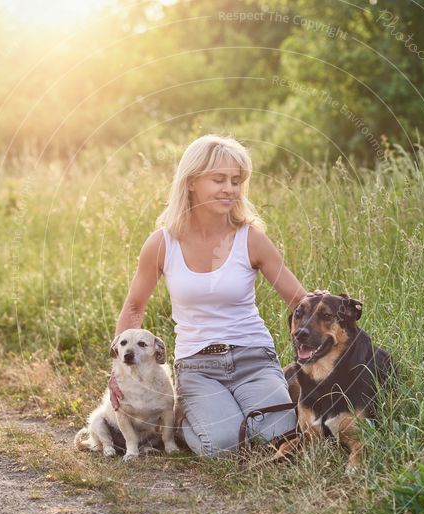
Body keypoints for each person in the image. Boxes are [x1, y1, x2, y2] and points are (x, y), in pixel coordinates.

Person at [108, 134, 310, 457]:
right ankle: (186, 412)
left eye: (235, 180)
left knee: (280, 434)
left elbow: (300, 302)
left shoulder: (252, 238)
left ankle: (270, 389)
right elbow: (134, 306)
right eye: (218, 179)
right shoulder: (162, 244)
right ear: (191, 182)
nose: (229, 188)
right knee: (222, 445)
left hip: (253, 358)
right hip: (198, 366)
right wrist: (117, 375)